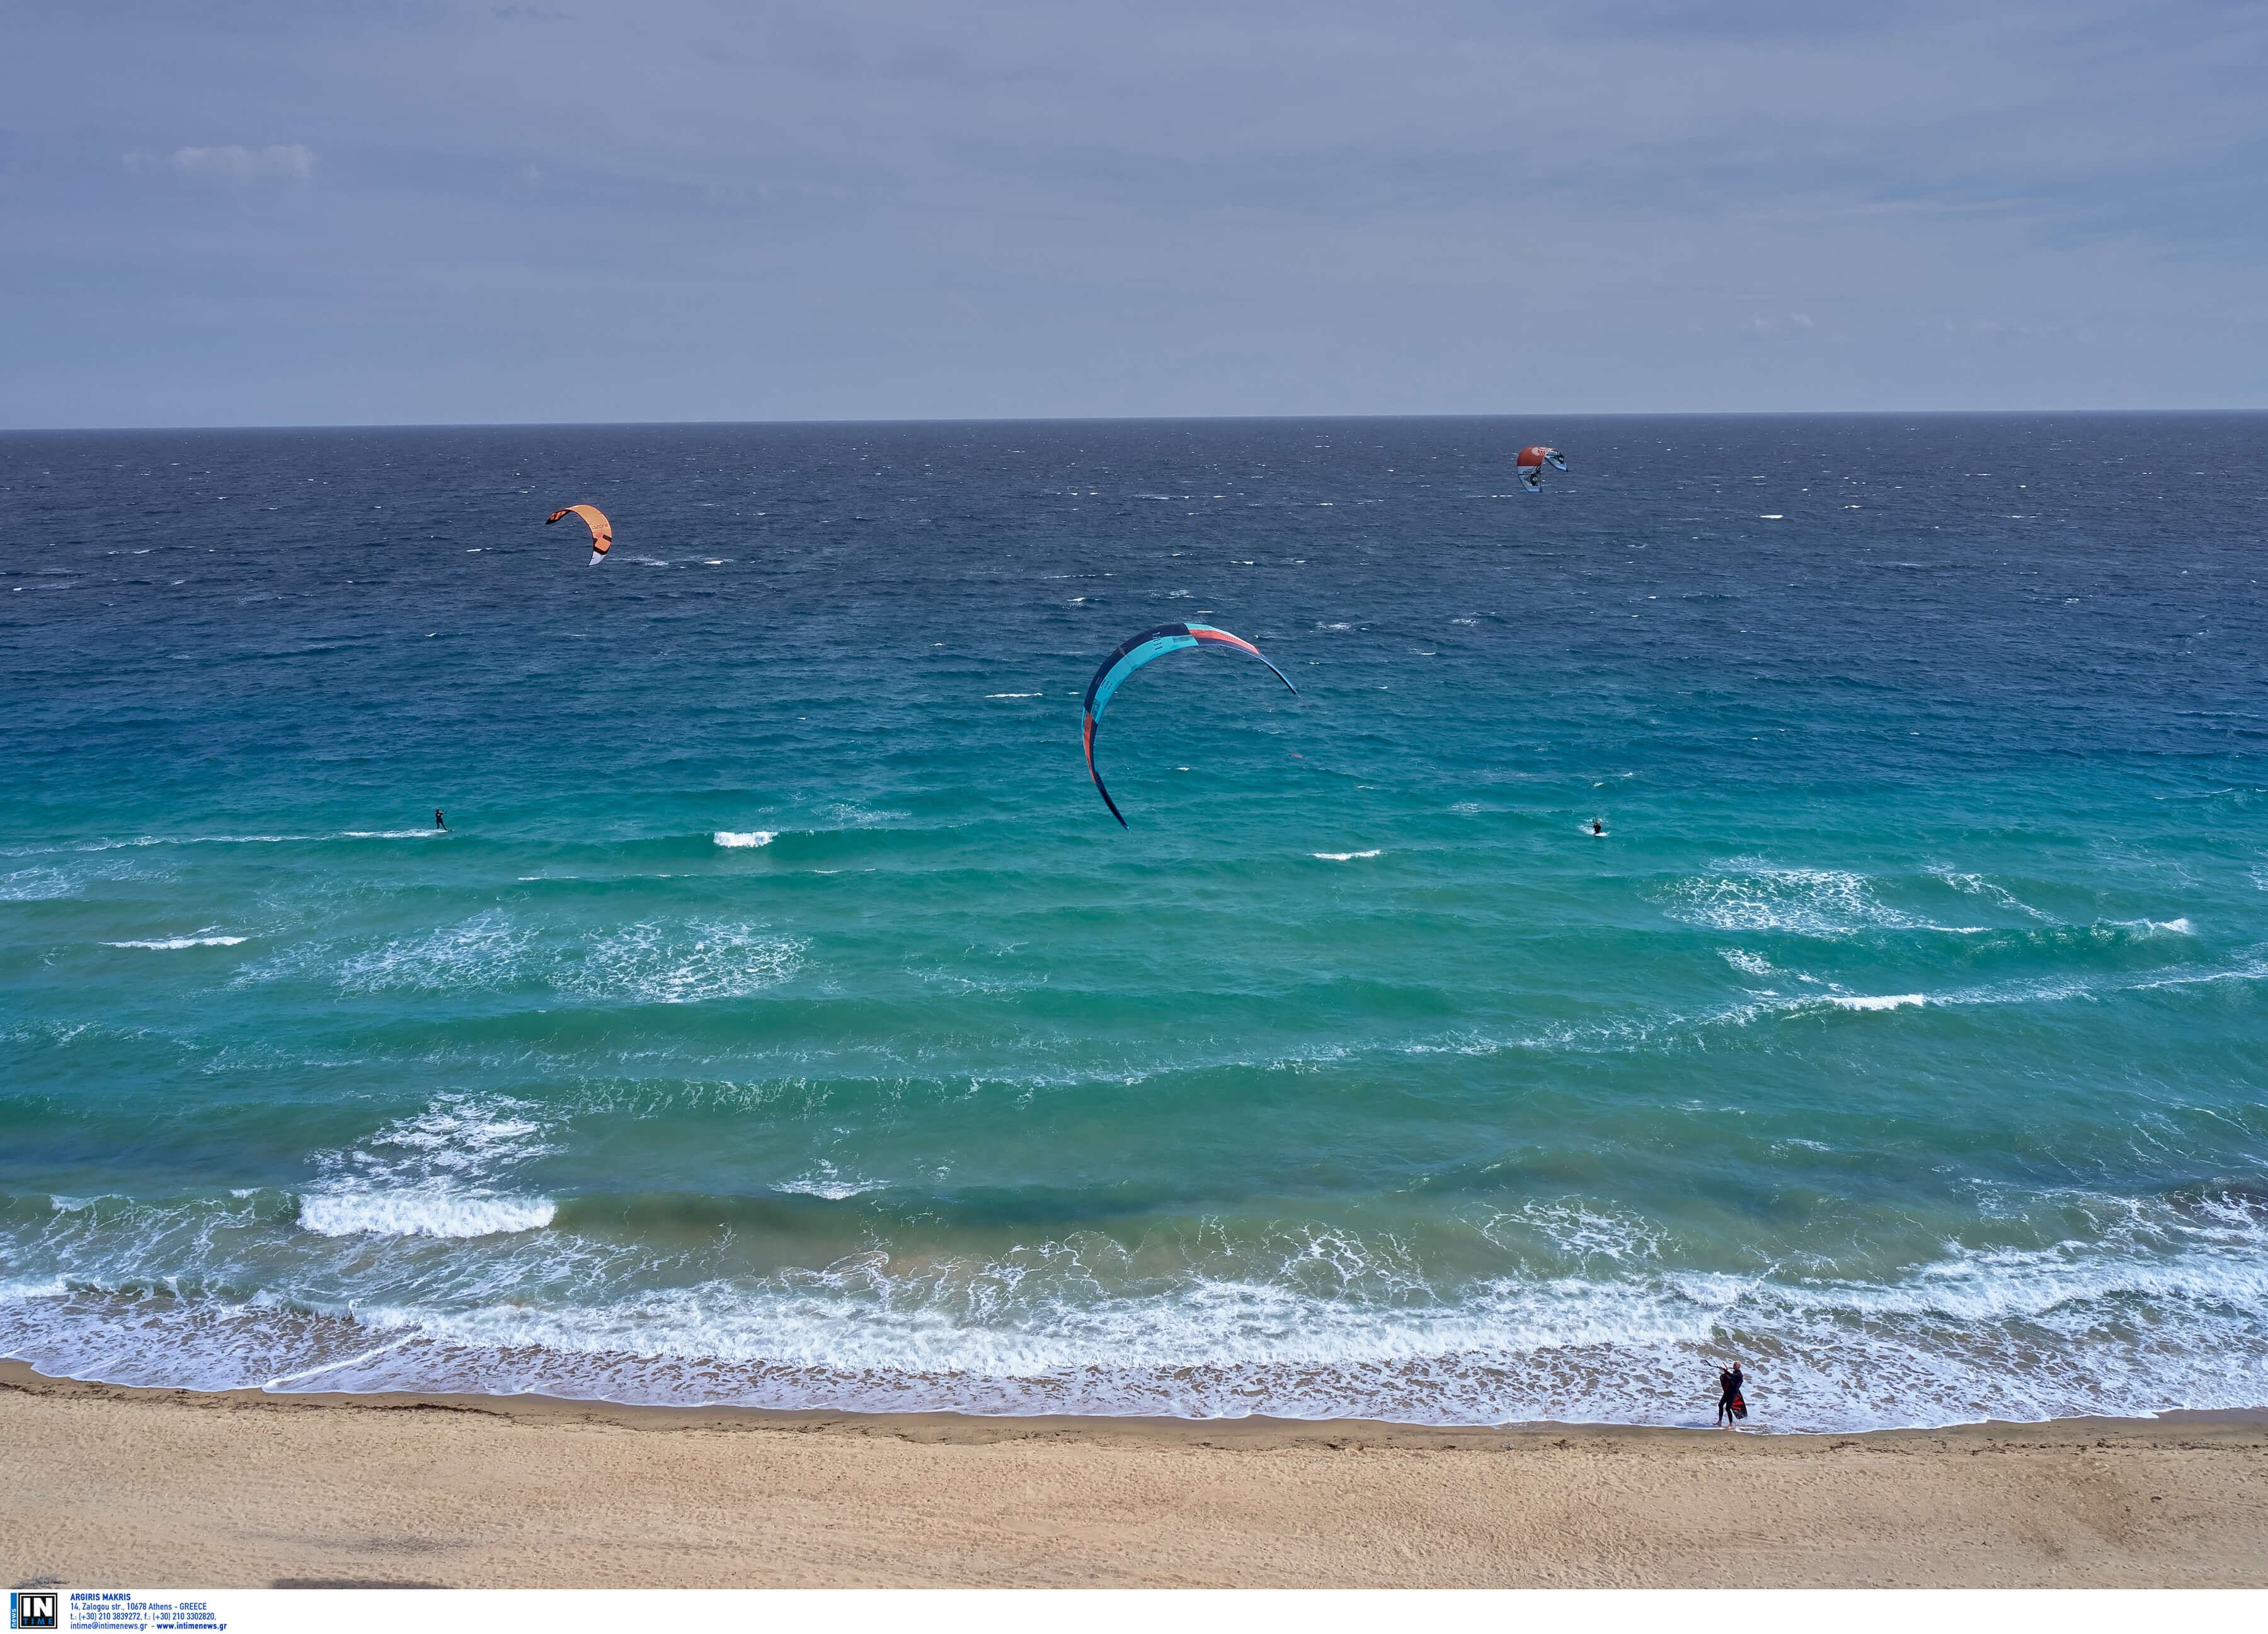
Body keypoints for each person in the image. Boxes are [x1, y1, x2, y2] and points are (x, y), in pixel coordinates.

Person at [1715, 1361, 1746, 1427]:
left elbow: (1732, 1376)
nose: (1733, 1366)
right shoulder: (1735, 1372)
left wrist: (1724, 1370)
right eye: (1734, 1365)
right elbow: (1730, 1380)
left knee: (1728, 1408)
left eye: (1735, 1365)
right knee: (1720, 1405)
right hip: (1728, 1392)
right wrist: (1725, 1373)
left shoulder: (1739, 1374)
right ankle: (1719, 1422)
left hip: (1733, 1394)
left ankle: (1731, 1425)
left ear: (1739, 1367)